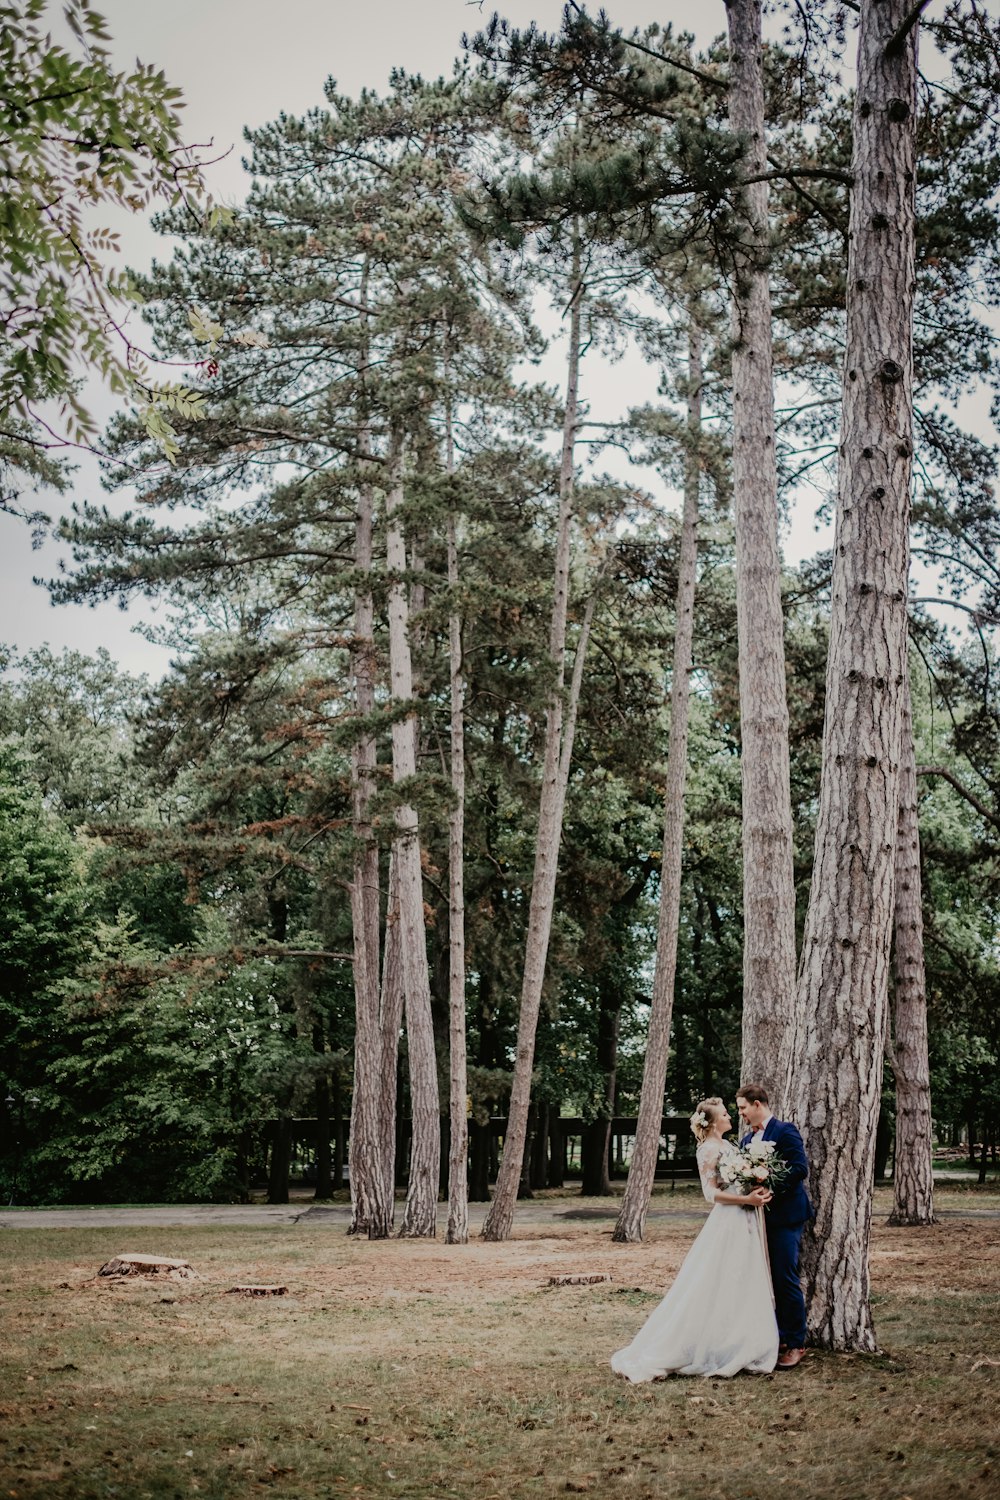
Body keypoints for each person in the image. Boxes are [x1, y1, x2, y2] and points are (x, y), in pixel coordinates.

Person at [610, 1098, 779, 1381]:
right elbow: (710, 1193)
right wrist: (744, 1198)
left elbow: (739, 1179)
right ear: (712, 1122)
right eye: (725, 1114)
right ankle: (704, 1346)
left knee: (743, 1277)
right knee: (719, 1278)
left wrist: (756, 1187)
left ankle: (739, 1339)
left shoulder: (729, 1146)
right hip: (729, 1219)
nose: (730, 1117)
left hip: (747, 1215)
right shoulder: (709, 1149)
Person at [736, 1082, 813, 1370]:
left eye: (743, 1108)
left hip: (786, 1217)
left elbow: (799, 1168)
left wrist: (769, 1184)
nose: (741, 1114)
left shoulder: (785, 1131)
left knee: (784, 1278)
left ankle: (796, 1342)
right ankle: (775, 1336)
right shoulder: (745, 1142)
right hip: (756, 1220)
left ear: (758, 1105)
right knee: (762, 1281)